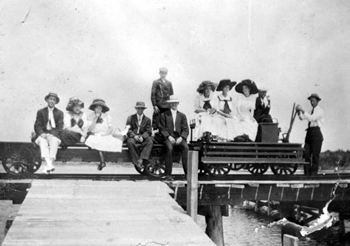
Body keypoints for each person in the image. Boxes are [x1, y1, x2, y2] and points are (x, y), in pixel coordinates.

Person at [85, 99, 123, 170]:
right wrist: (96, 118)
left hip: (105, 134)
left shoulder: (107, 116)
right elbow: (90, 129)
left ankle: (102, 162)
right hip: (94, 135)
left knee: (106, 141)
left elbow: (111, 128)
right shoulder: (90, 116)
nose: (99, 109)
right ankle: (102, 162)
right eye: (97, 107)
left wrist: (105, 135)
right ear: (94, 108)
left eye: (100, 107)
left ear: (102, 108)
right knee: (98, 141)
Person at [159, 95, 189, 181]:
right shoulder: (164, 115)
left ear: (178, 103)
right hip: (168, 137)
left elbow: (186, 129)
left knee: (186, 148)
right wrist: (168, 137)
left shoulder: (182, 115)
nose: (174, 104)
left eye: (175, 103)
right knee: (169, 148)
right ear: (169, 104)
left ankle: (187, 174)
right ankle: (168, 174)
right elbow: (162, 128)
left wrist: (181, 138)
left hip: (179, 137)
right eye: (172, 103)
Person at [33, 92, 64, 174]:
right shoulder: (41, 112)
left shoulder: (59, 113)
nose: (52, 101)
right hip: (43, 134)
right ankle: (49, 165)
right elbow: (37, 126)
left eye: (54, 100)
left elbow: (60, 127)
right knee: (42, 142)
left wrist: (51, 134)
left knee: (54, 142)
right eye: (50, 99)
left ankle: (48, 166)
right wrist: (43, 134)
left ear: (56, 102)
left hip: (53, 134)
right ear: (47, 100)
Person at [296, 93, 324, 176]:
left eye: (314, 101)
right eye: (311, 101)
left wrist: (303, 110)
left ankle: (313, 174)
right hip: (309, 133)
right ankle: (307, 173)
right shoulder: (310, 111)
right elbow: (302, 118)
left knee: (315, 155)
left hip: (316, 133)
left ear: (317, 101)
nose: (312, 103)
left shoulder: (320, 111)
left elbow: (311, 118)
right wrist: (299, 112)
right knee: (306, 154)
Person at [125, 101, 153, 170]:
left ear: (144, 110)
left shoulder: (148, 120)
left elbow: (149, 131)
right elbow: (128, 129)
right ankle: (137, 162)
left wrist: (143, 137)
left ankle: (141, 160)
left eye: (141, 109)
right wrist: (134, 136)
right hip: (133, 137)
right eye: (138, 108)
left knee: (150, 141)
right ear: (136, 109)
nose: (140, 110)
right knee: (130, 142)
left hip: (142, 137)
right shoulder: (130, 118)